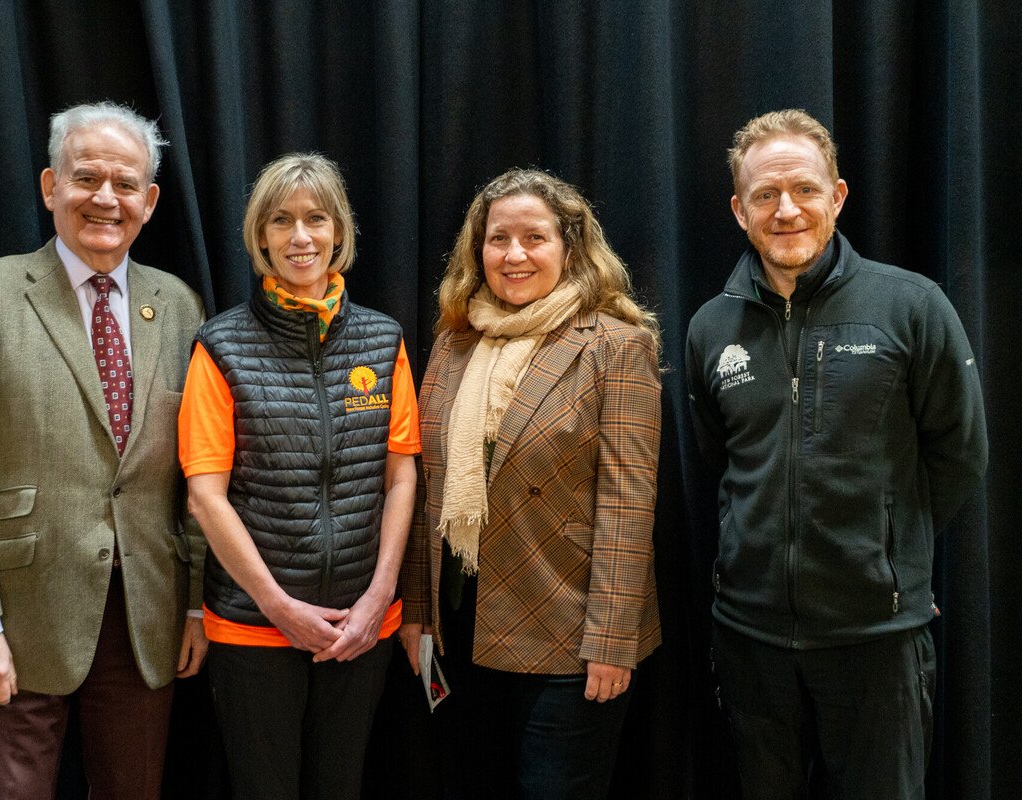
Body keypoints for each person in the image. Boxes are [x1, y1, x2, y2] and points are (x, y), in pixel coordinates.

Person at [685, 109, 988, 799]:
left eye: (804, 190)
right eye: (765, 195)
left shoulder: (912, 305)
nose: (786, 209)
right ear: (739, 210)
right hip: (749, 637)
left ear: (838, 196)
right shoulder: (710, 327)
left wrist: (891, 555)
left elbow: (960, 452)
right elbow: (717, 459)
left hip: (875, 641)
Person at [0, 101, 207, 799]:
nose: (105, 198)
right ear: (51, 187)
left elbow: (198, 471)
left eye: (125, 183)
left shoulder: (179, 307)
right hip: (16, 617)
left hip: (147, 617)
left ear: (151, 200)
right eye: (86, 178)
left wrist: (196, 602)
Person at [399, 168, 663, 800]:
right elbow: (424, 486)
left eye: (534, 238)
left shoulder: (615, 347)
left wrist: (612, 639)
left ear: (569, 248)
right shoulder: (453, 343)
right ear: (478, 249)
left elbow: (630, 504)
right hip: (460, 629)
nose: (514, 255)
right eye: (498, 239)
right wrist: (417, 611)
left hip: (569, 634)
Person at [178, 152, 420, 800]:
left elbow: (401, 476)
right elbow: (206, 497)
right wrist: (279, 608)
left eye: (316, 219)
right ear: (261, 236)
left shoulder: (383, 338)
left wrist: (378, 600)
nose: (301, 237)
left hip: (360, 624)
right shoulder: (220, 346)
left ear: (339, 232)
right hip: (252, 628)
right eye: (281, 221)